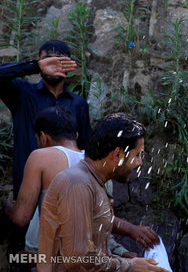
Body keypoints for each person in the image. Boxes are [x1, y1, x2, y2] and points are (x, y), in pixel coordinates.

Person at [3, 106, 157, 257]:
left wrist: (8, 207)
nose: (140, 163)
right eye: (137, 155)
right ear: (76, 135)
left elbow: (21, 217)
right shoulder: (100, 168)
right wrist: (123, 252)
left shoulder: (42, 157)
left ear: (43, 137)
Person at [38, 113, 168, 271]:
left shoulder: (96, 182)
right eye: (137, 155)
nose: (140, 162)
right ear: (118, 155)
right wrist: (130, 266)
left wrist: (123, 257)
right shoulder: (78, 184)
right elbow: (78, 259)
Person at [0, 40, 92, 199]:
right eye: (48, 59)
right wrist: (34, 67)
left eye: (60, 60)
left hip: (69, 192)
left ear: (69, 65)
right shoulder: (23, 94)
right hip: (27, 191)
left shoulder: (78, 104)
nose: (53, 64)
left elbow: (86, 149)